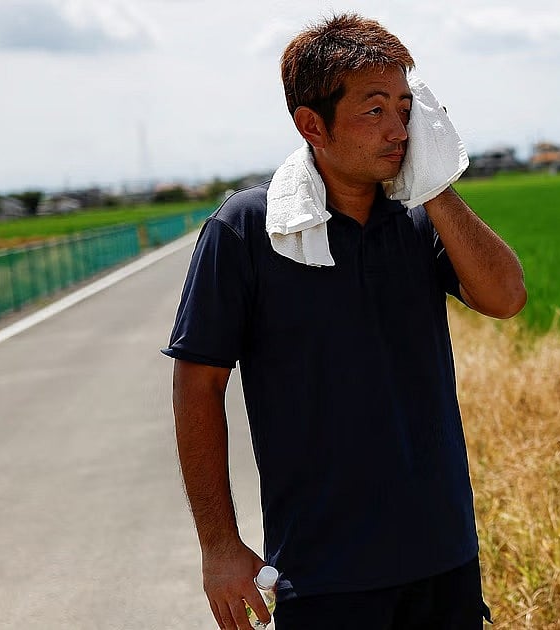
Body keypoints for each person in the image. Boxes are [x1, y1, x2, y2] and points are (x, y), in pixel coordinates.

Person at [163, 13, 525, 630]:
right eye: (374, 110)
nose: (398, 130)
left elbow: (506, 296)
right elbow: (198, 387)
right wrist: (219, 545)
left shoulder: (418, 218)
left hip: (443, 556)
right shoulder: (250, 229)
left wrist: (435, 186)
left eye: (406, 109)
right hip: (323, 572)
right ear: (312, 125)